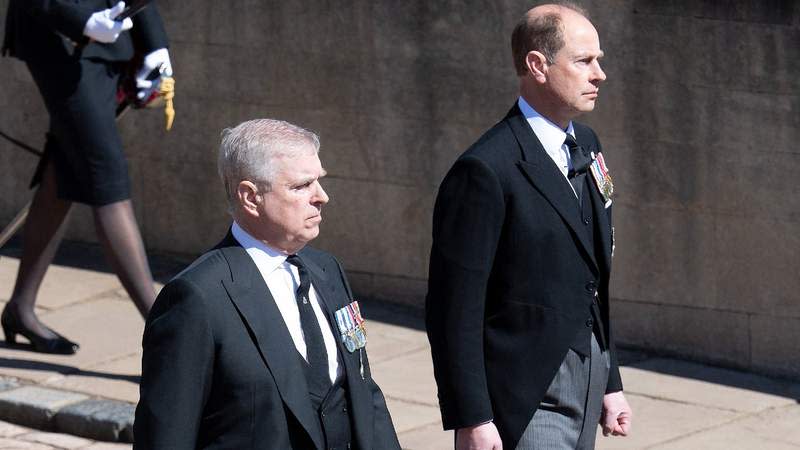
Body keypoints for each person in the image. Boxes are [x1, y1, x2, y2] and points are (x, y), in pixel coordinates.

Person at [425, 3, 632, 449]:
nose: (600, 74)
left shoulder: (587, 144)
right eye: (583, 61)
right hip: (527, 393)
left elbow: (592, 278)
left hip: (588, 371)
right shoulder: (485, 170)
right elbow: (453, 309)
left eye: (599, 60)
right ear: (537, 65)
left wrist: (609, 378)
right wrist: (472, 418)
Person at [134, 119, 401, 450]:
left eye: (319, 181)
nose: (322, 197)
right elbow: (167, 436)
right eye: (301, 186)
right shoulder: (198, 297)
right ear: (250, 197)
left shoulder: (326, 270)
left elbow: (362, 391)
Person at [1, 0, 172, 354]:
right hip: (58, 38)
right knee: (107, 179)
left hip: (112, 37)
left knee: (64, 169)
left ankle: (20, 306)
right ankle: (171, 333)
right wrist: (80, 21)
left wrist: (155, 42)